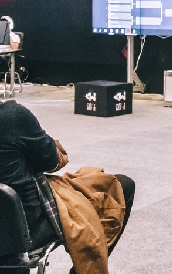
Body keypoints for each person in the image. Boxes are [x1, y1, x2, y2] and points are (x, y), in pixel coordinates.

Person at [0, 100, 135, 274]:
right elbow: (51, 161)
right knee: (120, 186)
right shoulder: (12, 116)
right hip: (23, 229)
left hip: (10, 226)